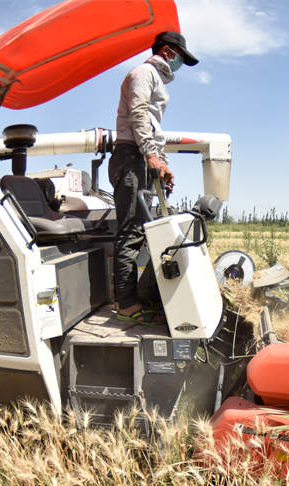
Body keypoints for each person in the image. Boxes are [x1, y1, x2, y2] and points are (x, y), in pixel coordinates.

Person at [109, 31, 198, 325]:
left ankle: (140, 295)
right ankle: (125, 303)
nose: (181, 66)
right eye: (182, 59)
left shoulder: (156, 80)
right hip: (130, 155)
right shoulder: (143, 73)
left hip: (141, 156)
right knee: (131, 230)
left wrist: (163, 163)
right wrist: (150, 156)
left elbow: (154, 129)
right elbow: (137, 116)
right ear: (169, 52)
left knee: (146, 231)